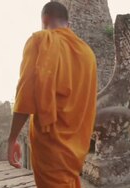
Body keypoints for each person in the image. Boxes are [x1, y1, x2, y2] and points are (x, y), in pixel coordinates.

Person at [7, 2, 97, 188]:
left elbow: (25, 95)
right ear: (68, 25)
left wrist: (12, 139)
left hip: (51, 148)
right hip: (77, 148)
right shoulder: (88, 54)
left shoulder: (41, 41)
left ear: (44, 19)